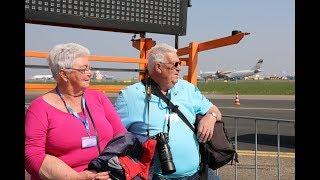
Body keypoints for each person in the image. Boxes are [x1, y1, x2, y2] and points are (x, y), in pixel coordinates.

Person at [114, 43, 222, 180]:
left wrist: (210, 117)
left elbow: (215, 111)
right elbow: (114, 138)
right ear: (158, 67)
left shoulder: (187, 88)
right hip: (155, 176)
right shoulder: (129, 96)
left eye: (180, 63)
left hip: (197, 174)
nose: (179, 68)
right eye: (175, 64)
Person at [25, 43, 127, 180]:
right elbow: (32, 155)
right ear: (64, 74)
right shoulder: (39, 108)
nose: (89, 73)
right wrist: (77, 177)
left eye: (89, 68)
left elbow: (121, 137)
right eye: (83, 69)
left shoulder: (99, 98)